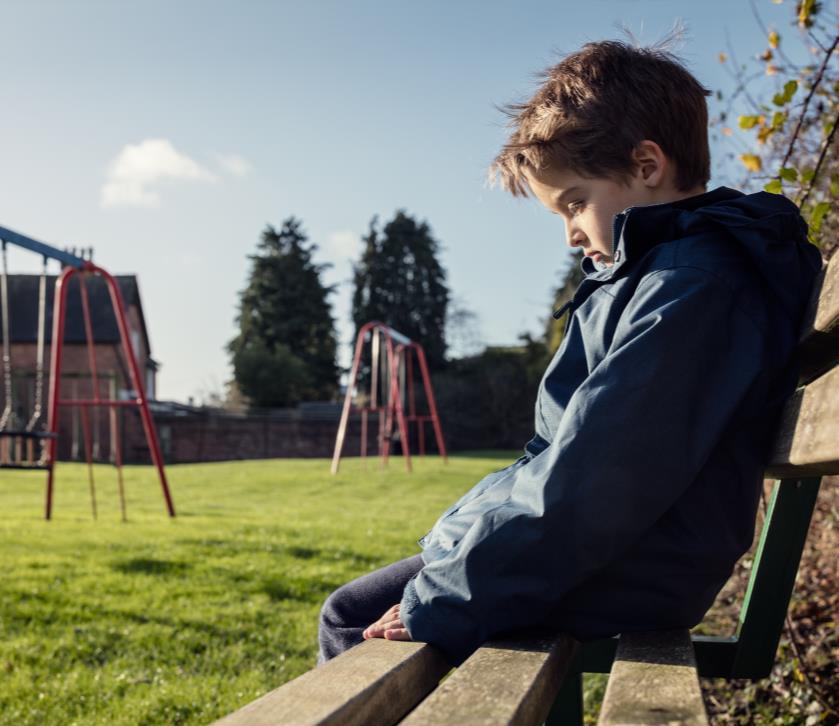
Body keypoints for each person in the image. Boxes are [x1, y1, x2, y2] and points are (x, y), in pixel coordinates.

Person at [317, 38, 823, 667]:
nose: (570, 234)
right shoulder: (657, 278)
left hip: (633, 562)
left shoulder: (692, 288)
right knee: (362, 608)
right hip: (615, 550)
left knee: (352, 620)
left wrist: (444, 599)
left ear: (646, 165)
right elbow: (570, 457)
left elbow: (602, 475)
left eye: (576, 202)